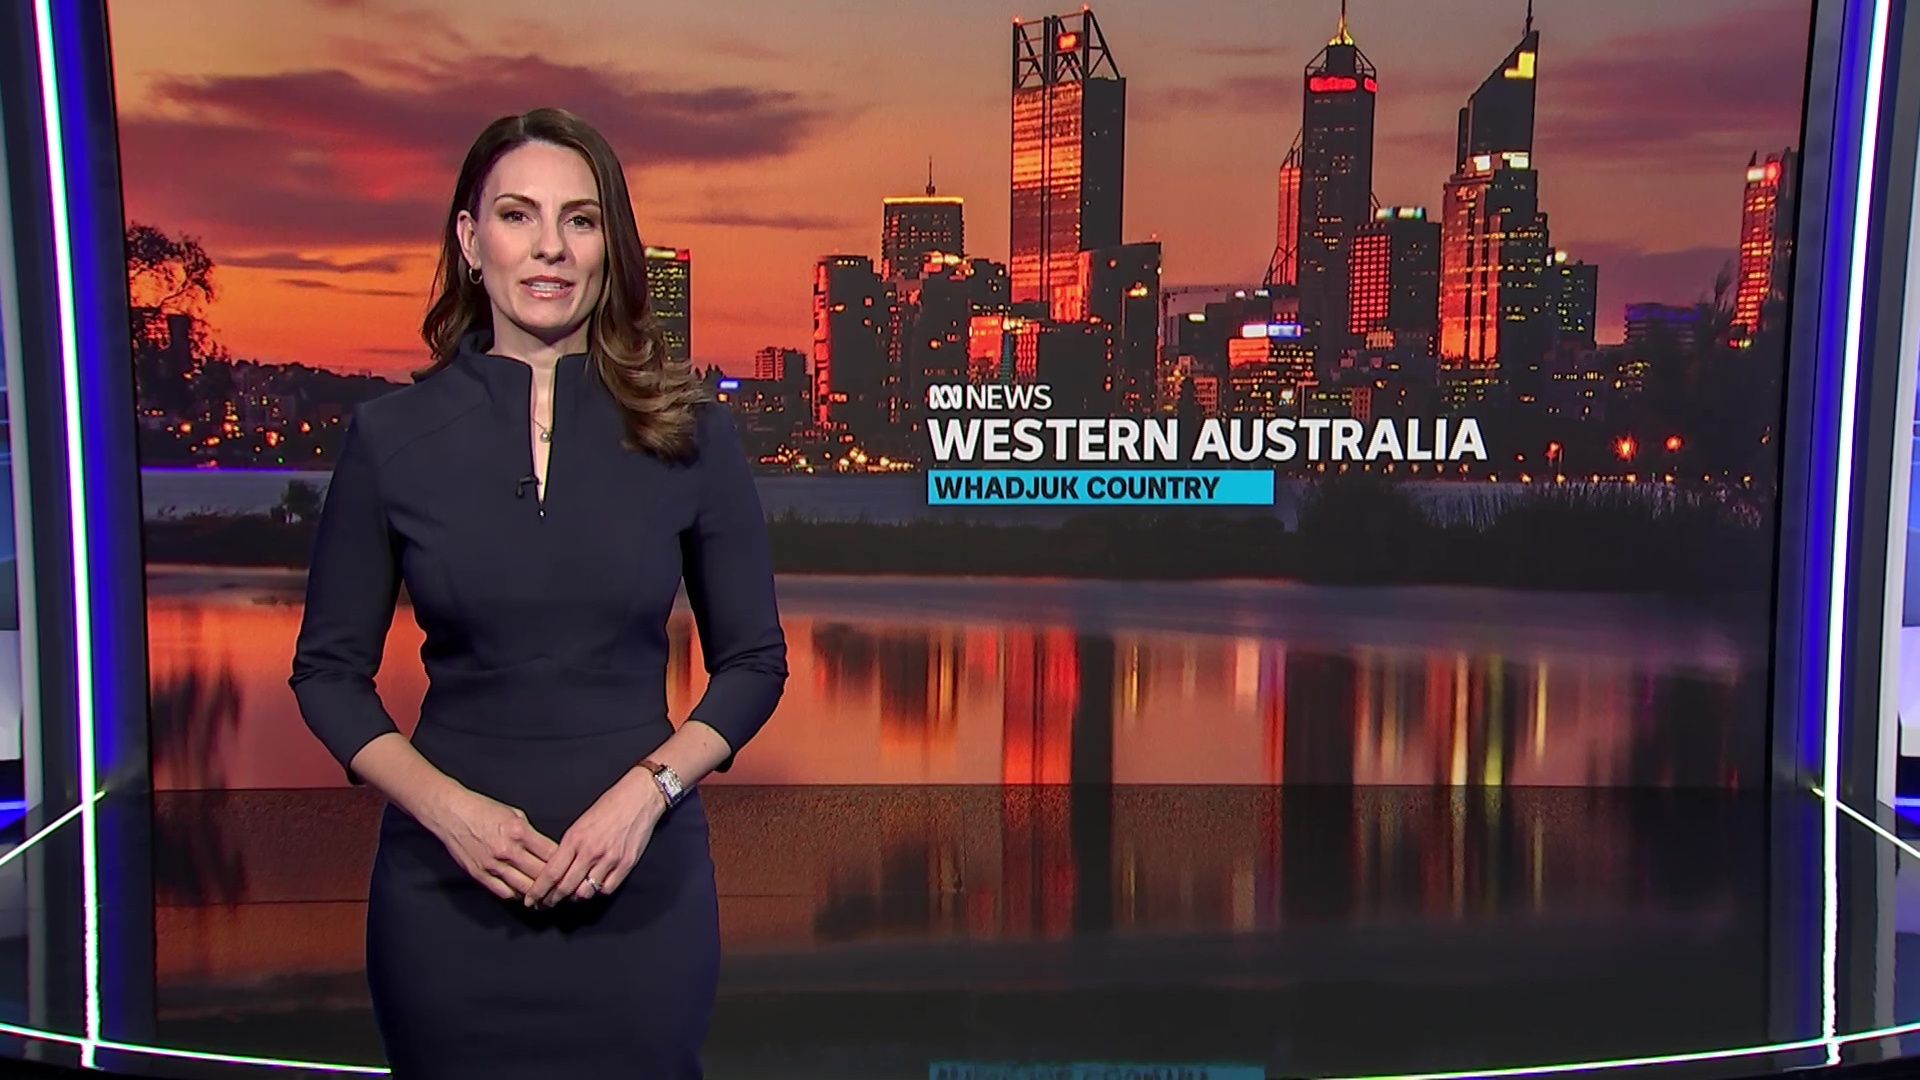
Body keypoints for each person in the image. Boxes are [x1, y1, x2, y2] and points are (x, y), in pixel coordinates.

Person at [288, 106, 787, 1079]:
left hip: (642, 897)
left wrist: (649, 793)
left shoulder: (692, 432)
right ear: (472, 241)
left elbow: (754, 664)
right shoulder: (391, 437)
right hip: (446, 900)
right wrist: (450, 814)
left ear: (610, 247)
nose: (550, 246)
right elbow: (327, 675)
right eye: (518, 216)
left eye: (580, 220)